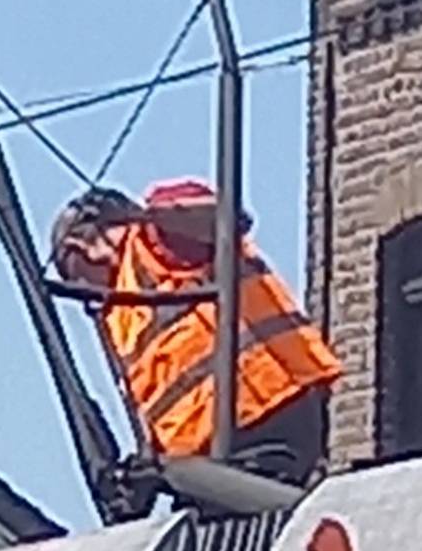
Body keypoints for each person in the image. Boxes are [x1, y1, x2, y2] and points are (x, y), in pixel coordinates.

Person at [47, 177, 343, 487]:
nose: (80, 291)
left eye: (71, 273)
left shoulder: (152, 246)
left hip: (260, 409)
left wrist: (164, 211)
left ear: (81, 248)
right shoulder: (119, 311)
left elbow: (211, 219)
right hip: (205, 451)